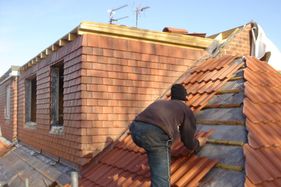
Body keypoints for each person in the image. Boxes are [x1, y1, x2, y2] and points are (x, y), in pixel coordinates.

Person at [129, 84, 207, 187]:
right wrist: (197, 144)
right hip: (154, 134)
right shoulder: (185, 109)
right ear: (185, 98)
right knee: (161, 180)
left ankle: (154, 156)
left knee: (154, 148)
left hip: (135, 130)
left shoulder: (161, 103)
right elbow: (188, 140)